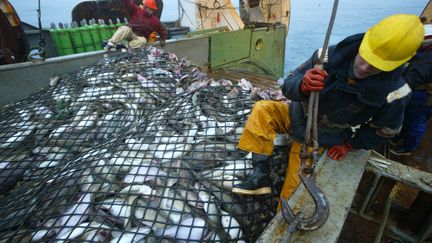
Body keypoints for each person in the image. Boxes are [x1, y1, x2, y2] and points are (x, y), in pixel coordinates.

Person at [231, 14, 424, 200]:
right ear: (365, 40)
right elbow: (289, 83)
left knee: (293, 194)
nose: (364, 68)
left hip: (321, 138)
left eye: (375, 66)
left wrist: (350, 145)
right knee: (263, 109)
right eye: (365, 57)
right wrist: (302, 85)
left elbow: (386, 130)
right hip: (296, 114)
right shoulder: (326, 56)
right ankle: (260, 175)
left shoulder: (396, 92)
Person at [389, 24, 432, 156]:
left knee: (416, 121)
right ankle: (399, 137)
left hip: (424, 95)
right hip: (416, 92)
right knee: (407, 116)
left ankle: (408, 147)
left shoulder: (428, 58)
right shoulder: (424, 52)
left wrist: (391, 96)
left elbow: (413, 78)